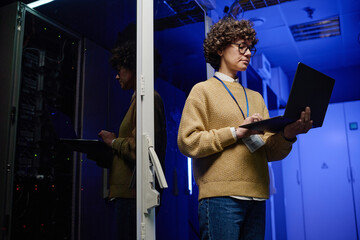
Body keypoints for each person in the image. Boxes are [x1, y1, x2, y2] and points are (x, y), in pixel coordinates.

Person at [177, 17, 312, 240]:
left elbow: (269, 151)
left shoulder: (256, 97)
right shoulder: (202, 91)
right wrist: (236, 132)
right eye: (241, 47)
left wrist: (289, 133)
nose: (248, 53)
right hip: (220, 198)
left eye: (250, 48)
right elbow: (187, 141)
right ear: (220, 48)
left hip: (257, 196)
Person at [98, 39, 167, 240]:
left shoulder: (148, 99)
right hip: (129, 195)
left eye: (121, 69)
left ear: (135, 68)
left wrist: (113, 142)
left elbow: (141, 151)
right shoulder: (138, 99)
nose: (117, 75)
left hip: (133, 197)